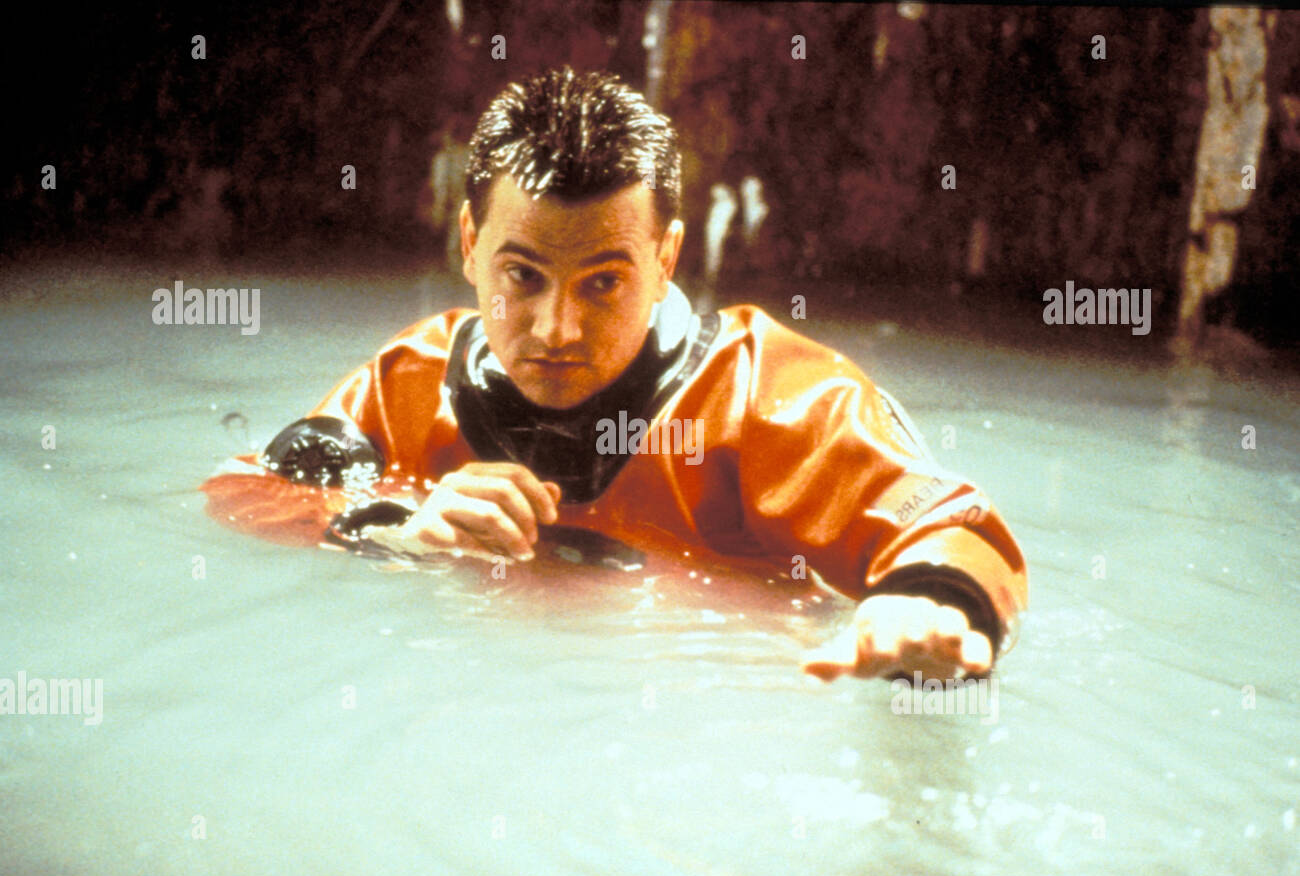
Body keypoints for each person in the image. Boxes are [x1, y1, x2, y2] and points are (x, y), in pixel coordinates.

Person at [200, 67, 1028, 684]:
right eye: (522, 276)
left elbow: (950, 528)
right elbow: (244, 494)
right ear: (467, 242)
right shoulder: (409, 381)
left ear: (666, 258)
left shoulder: (774, 397)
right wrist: (393, 524)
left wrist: (925, 604)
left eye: (603, 282)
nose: (557, 329)